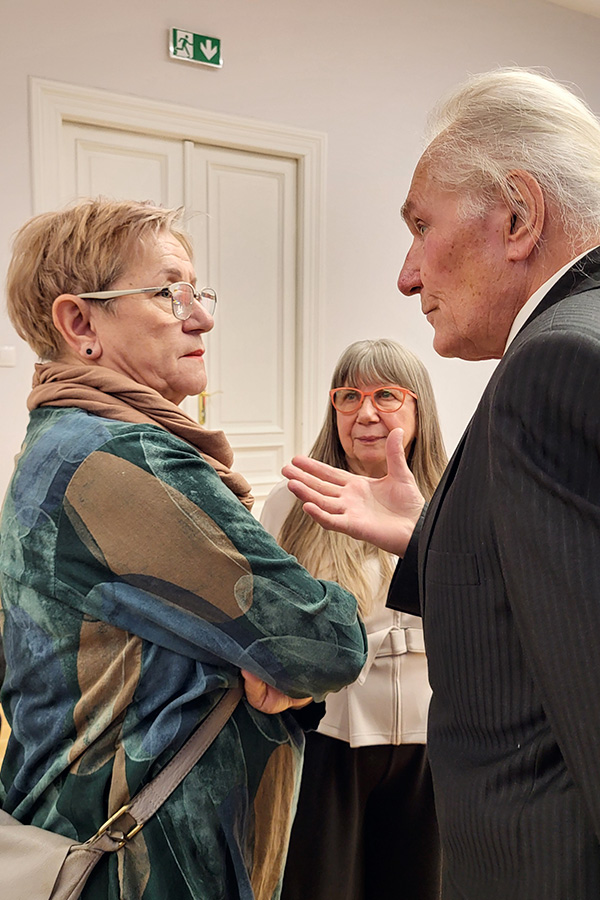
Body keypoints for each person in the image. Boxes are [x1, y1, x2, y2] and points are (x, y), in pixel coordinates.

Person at [281, 68, 600, 899]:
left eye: (422, 226)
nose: (407, 273)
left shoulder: (557, 362)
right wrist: (424, 533)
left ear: (519, 217)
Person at [0, 198, 367, 900]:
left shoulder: (63, 438)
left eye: (199, 292)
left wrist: (264, 658)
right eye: (169, 293)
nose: (200, 317)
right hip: (141, 868)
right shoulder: (119, 458)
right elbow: (327, 642)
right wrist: (273, 658)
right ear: (81, 324)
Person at [261, 338, 446, 900]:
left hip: (434, 745)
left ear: (418, 407)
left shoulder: (454, 498)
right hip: (329, 740)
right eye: (349, 396)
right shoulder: (294, 503)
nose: (365, 413)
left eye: (386, 395)